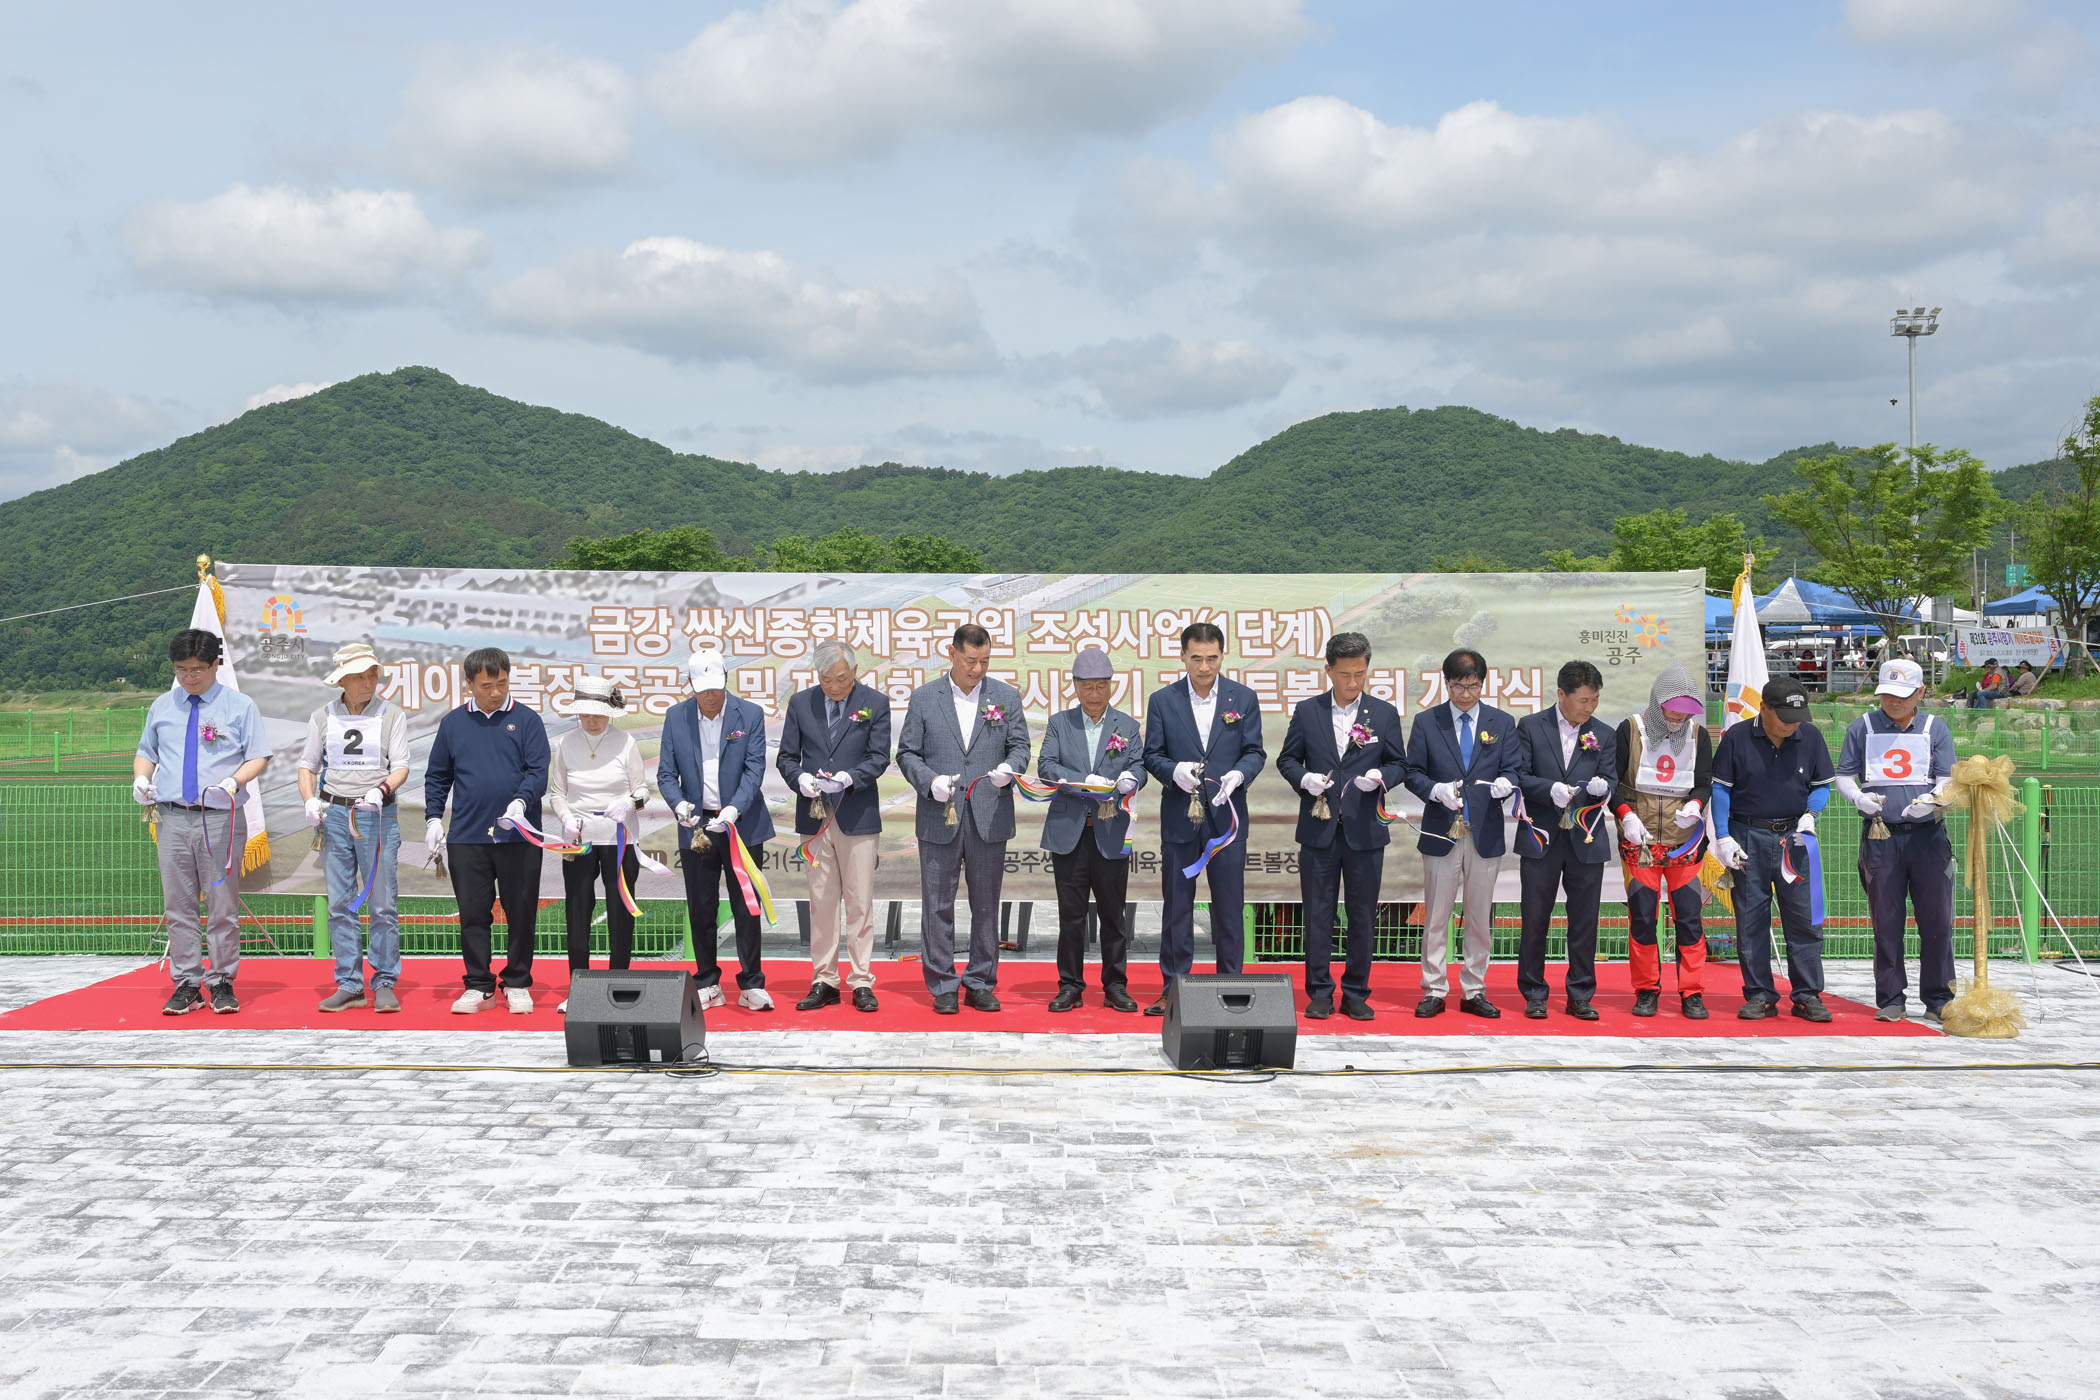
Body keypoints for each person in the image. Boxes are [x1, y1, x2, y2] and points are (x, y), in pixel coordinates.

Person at [134, 628, 273, 1016]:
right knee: (178, 904)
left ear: (215, 664)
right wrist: (141, 779)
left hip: (219, 818)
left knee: (221, 904)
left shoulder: (238, 706)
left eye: (197, 669)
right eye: (181, 669)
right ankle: (187, 983)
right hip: (172, 817)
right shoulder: (163, 705)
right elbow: (146, 752)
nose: (189, 677)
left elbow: (258, 756)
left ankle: (223, 980)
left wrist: (235, 781)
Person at [896, 623, 1033, 1014]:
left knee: (986, 904)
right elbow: (907, 753)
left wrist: (1010, 768)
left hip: (989, 814)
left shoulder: (1005, 696)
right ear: (952, 653)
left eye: (984, 661)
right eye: (971, 660)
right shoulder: (926, 698)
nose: (977, 669)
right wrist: (929, 781)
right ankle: (942, 983)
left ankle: (980, 981)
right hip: (940, 813)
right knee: (937, 904)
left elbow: (1021, 745)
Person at [1275, 631, 1408, 1021]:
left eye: (1360, 674)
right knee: (1318, 914)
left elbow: (1399, 764)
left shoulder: (1382, 714)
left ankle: (1355, 992)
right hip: (1319, 830)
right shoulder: (1308, 711)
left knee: (1362, 914)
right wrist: (1305, 779)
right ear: (1329, 670)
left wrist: (1380, 777)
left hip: (1365, 830)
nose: (1353, 682)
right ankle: (1319, 991)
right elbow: (1287, 760)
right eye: (1345, 674)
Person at [1142, 621, 1266, 1016]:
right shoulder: (1163, 700)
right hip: (1181, 817)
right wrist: (1173, 771)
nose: (1204, 667)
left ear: (1222, 655)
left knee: (1229, 908)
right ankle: (1173, 988)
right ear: (1182, 656)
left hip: (1227, 818)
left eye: (1212, 658)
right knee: (1177, 907)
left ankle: (1231, 987)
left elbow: (1255, 751)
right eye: (1196, 658)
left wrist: (1240, 774)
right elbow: (1152, 755)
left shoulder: (1242, 698)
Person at [425, 647, 550, 1015]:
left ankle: (517, 981)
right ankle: (479, 985)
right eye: (486, 686)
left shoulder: (527, 720)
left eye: (502, 684)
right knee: (473, 914)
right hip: (467, 836)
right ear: (469, 684)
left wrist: (521, 802)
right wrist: (433, 818)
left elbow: (538, 771)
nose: (495, 692)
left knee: (521, 911)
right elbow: (438, 776)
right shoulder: (453, 723)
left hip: (519, 835)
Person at [1834, 658, 1957, 1022]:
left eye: (1902, 695)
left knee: (1937, 919)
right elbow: (1844, 775)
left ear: (1920, 693)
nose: (1894, 702)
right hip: (1881, 836)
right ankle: (1890, 997)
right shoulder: (1863, 726)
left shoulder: (1935, 728)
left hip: (1928, 837)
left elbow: (1947, 777)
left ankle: (1938, 998)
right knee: (1886, 920)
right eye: (1887, 694)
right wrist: (1858, 798)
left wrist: (1934, 799)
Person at [1403, 648, 1523, 1019]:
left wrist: (1506, 783)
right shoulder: (1428, 722)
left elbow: (1514, 768)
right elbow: (1412, 773)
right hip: (1442, 832)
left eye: (1473, 687)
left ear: (1483, 684)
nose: (1465, 694)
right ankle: (1434, 988)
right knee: (1437, 916)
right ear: (1446, 683)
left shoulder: (1501, 722)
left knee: (1478, 916)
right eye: (1458, 686)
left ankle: (1474, 988)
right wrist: (1435, 790)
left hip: (1485, 832)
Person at [777, 639, 892, 1013]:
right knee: (822, 901)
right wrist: (800, 779)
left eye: (841, 679)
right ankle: (824, 978)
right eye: (826, 680)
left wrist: (849, 777)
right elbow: (786, 757)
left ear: (855, 671)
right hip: (815, 817)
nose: (834, 687)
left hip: (857, 815)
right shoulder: (801, 703)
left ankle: (861, 980)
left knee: (859, 901)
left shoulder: (874, 703)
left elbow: (879, 757)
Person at [659, 651, 777, 1011]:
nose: (710, 696)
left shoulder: (749, 714)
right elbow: (666, 773)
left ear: (726, 680)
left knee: (747, 906)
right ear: (690, 685)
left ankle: (751, 983)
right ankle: (707, 981)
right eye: (702, 690)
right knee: (701, 907)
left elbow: (754, 770)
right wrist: (679, 804)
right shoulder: (676, 717)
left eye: (715, 688)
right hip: (697, 826)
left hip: (741, 824)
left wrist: (733, 809)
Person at [1711, 676, 1834, 1022]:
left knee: (1804, 919)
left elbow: (1821, 785)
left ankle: (1807, 994)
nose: (1792, 726)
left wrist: (1811, 814)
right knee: (1751, 920)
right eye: (1784, 719)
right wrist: (1723, 837)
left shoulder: (1810, 737)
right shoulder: (1737, 737)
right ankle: (1760, 995)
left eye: (1798, 719)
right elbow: (1721, 789)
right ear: (1763, 708)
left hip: (1796, 837)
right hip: (1747, 836)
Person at [297, 642, 411, 1013]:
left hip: (376, 814)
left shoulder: (391, 714)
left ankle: (384, 980)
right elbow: (307, 766)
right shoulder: (323, 716)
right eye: (359, 676)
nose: (367, 683)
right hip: (333, 813)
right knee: (340, 903)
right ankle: (349, 983)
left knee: (382, 902)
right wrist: (310, 800)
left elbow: (401, 766)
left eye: (372, 675)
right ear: (341, 681)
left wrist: (382, 789)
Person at [1036, 646, 1147, 1012]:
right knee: (1071, 915)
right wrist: (1084, 781)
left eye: (1101, 686)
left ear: (1111, 686)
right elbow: (1046, 766)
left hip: (1111, 831)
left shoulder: (1126, 726)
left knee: (1113, 915)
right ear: (1075, 686)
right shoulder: (1060, 723)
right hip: (1070, 832)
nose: (1094, 694)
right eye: (1087, 687)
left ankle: (1115, 985)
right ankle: (1070, 985)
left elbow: (1139, 765)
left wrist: (1132, 778)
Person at [1513, 660, 1617, 1021]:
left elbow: (1611, 779)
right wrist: (1549, 789)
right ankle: (1533, 992)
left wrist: (1603, 789)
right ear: (1561, 694)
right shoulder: (1531, 727)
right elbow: (1519, 774)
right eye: (1583, 700)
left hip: (1586, 838)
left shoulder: (1604, 734)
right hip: (1541, 836)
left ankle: (1580, 994)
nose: (1590, 707)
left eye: (1595, 700)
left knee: (1585, 921)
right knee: (1535, 917)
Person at [1610, 664, 1714, 1020]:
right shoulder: (1630, 729)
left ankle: (1692, 991)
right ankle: (1646, 989)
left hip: (1684, 844)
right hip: (1639, 844)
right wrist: (1626, 814)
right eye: (1672, 711)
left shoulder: (1698, 735)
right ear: (1657, 703)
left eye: (1685, 713)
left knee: (1689, 919)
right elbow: (1612, 782)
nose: (1678, 719)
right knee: (1642, 918)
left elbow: (1704, 782)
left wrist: (1696, 804)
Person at [546, 674, 653, 1015]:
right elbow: (557, 793)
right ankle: (579, 986)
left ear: (609, 712)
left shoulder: (625, 742)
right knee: (578, 909)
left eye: (598, 714)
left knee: (620, 909)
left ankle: (618, 982)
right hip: (579, 837)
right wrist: (565, 817)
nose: (592, 720)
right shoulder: (566, 744)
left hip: (619, 837)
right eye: (586, 714)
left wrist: (628, 804)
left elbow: (643, 791)